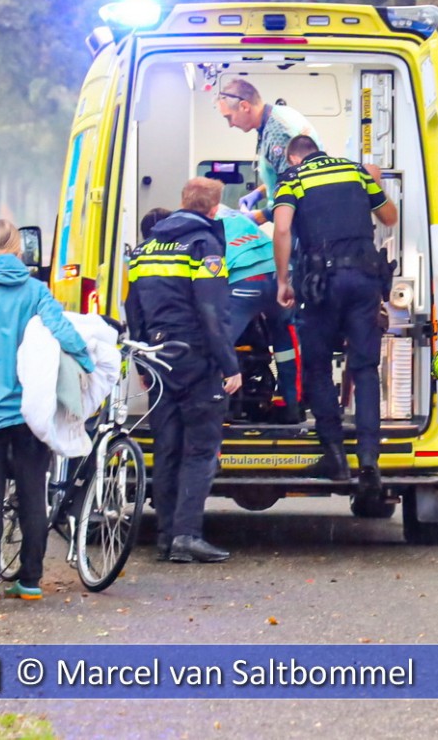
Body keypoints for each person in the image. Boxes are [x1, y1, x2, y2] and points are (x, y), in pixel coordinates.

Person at [0, 220, 95, 602]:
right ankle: (30, 580)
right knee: (32, 493)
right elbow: (61, 330)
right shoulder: (36, 292)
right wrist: (89, 364)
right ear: (18, 249)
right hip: (32, 411)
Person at [126, 177, 242, 564]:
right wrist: (229, 365)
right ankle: (187, 536)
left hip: (157, 357)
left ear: (182, 200)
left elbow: (134, 309)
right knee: (201, 449)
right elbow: (212, 312)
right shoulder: (203, 246)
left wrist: (143, 360)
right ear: (213, 209)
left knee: (167, 448)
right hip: (194, 358)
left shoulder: (145, 249)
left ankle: (165, 536)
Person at [271, 135, 397, 490]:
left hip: (321, 284)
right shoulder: (355, 172)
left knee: (317, 366)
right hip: (364, 280)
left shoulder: (293, 180)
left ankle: (336, 457)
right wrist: (374, 184)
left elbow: (282, 229)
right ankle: (370, 458)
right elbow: (390, 217)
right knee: (365, 367)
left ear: (295, 158)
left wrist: (283, 281)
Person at [216, 204, 300, 418]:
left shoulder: (206, 222)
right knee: (285, 339)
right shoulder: (240, 218)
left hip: (245, 281)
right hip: (279, 274)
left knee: (219, 343)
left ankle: (220, 408)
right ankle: (291, 406)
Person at [216, 78, 319, 222]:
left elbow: (295, 190)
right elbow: (283, 175)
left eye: (229, 117)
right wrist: (259, 193)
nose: (230, 125)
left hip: (305, 223)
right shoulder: (278, 115)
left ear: (244, 106)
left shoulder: (279, 134)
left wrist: (259, 216)